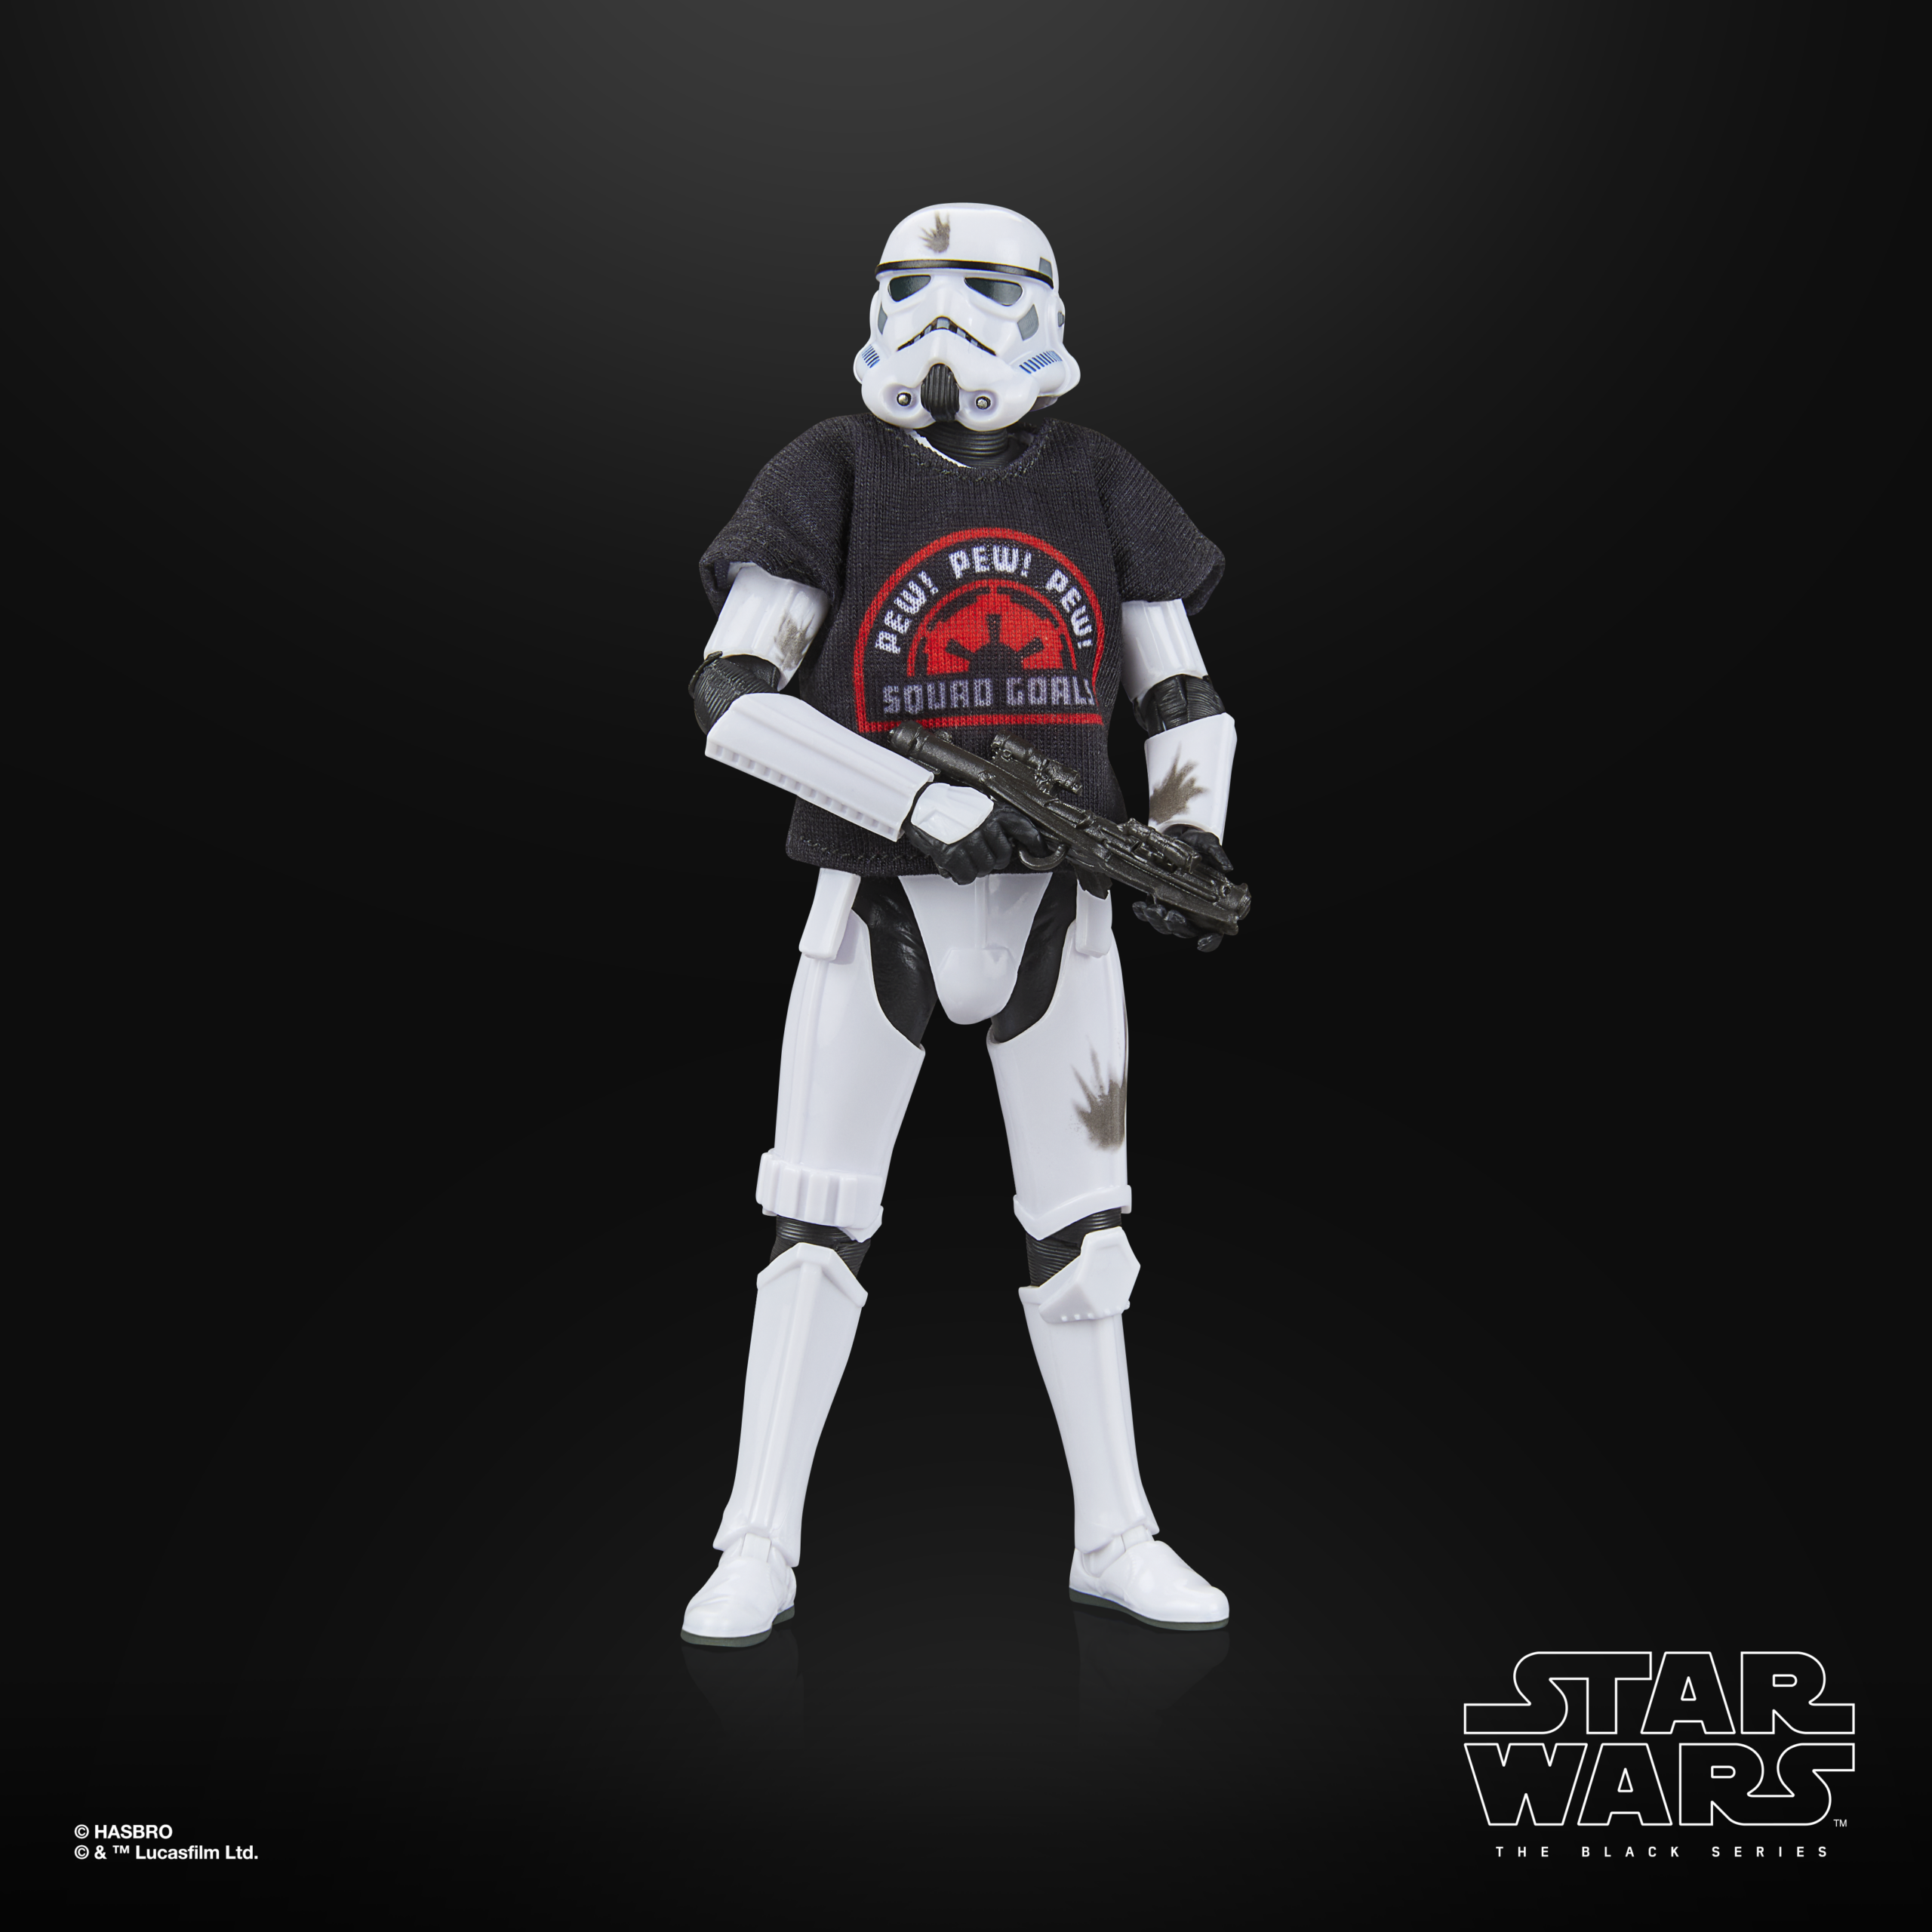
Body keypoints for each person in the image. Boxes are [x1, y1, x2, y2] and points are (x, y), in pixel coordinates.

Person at [681, 205, 1238, 1647]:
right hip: (877, 899)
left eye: (980, 287)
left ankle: (1115, 1533)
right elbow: (732, 696)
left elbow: (1180, 694)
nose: (942, 315)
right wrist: (912, 805)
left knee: (1089, 1235)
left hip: (1061, 908)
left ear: (1042, 306)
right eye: (910, 288)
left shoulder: (1098, 479)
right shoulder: (832, 468)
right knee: (814, 1227)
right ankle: (758, 1540)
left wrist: (1187, 830)